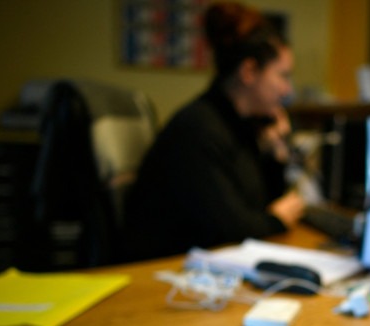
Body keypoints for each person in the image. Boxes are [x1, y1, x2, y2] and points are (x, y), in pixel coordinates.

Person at [124, 1, 305, 260]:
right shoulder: (198, 129)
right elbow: (232, 229)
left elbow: (262, 203)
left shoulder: (239, 125)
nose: (288, 90)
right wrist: (276, 220)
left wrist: (276, 152)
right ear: (249, 71)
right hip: (163, 272)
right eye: (283, 76)